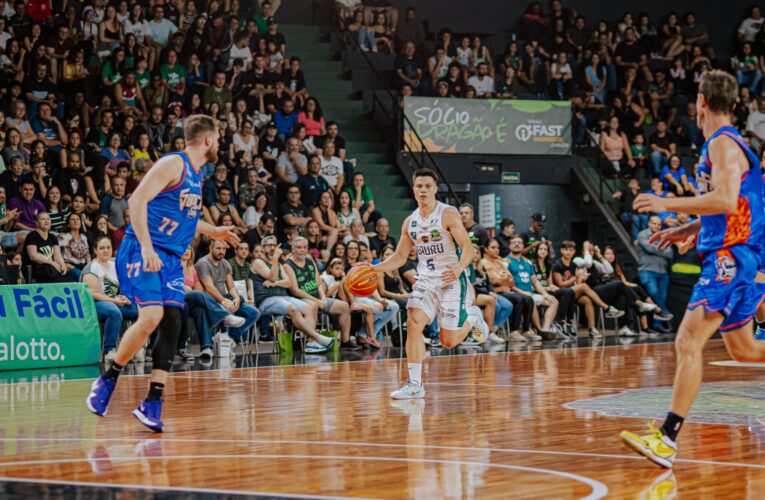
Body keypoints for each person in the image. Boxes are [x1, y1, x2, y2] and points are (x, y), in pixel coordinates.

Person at [621, 70, 765, 468]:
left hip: (729, 258)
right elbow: (730, 204)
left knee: (687, 343)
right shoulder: (727, 145)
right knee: (745, 349)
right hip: (738, 255)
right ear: (732, 102)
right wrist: (687, 228)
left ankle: (667, 438)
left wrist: (668, 205)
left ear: (700, 102)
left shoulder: (722, 144)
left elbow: (725, 198)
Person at [86, 115, 240, 433]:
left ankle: (152, 403)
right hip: (142, 250)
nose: (221, 144)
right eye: (219, 138)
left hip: (168, 259)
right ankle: (107, 380)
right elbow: (136, 199)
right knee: (152, 316)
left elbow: (184, 217)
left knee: (172, 320)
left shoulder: (197, 177)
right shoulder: (175, 163)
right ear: (208, 140)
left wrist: (215, 231)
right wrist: (146, 247)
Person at [372, 168, 488, 399]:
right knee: (414, 320)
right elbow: (400, 257)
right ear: (414, 190)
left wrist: (457, 269)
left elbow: (468, 248)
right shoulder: (410, 222)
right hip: (425, 279)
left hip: (450, 279)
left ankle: (473, 316)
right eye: (419, 186)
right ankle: (415, 383)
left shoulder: (448, 214)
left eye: (427, 186)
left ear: (435, 189)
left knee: (448, 341)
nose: (423, 190)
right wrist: (372, 268)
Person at [251, 235, 335, 353]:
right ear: (263, 247)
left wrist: (275, 284)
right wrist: (275, 259)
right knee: (293, 309)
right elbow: (273, 276)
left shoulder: (278, 264)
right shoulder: (258, 262)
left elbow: (288, 282)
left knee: (310, 307)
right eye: (269, 245)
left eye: (274, 245)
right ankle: (317, 337)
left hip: (283, 297)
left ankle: (310, 344)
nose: (272, 248)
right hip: (266, 299)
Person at [284, 236, 361, 351]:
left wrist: (324, 297)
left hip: (318, 297)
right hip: (301, 299)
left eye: (305, 247)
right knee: (313, 306)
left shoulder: (310, 261)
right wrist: (317, 301)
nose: (302, 250)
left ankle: (345, 341)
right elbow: (295, 291)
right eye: (299, 247)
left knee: (344, 306)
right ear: (293, 249)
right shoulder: (288, 265)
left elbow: (318, 282)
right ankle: (311, 342)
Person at [81, 235, 138, 362]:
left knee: (139, 311)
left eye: (108, 247)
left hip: (116, 302)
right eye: (102, 248)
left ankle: (135, 348)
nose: (106, 250)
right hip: (96, 304)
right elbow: (93, 293)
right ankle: (109, 351)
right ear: (95, 250)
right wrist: (114, 301)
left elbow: (126, 286)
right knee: (113, 311)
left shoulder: (115, 265)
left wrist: (127, 298)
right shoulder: (91, 268)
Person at [22, 212, 75, 283]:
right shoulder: (32, 236)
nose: (46, 221)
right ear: (37, 223)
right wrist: (52, 263)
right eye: (43, 219)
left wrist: (62, 266)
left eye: (48, 219)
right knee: (57, 280)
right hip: (36, 269)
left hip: (50, 269)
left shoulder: (52, 237)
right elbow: (33, 256)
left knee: (69, 276)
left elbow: (57, 255)